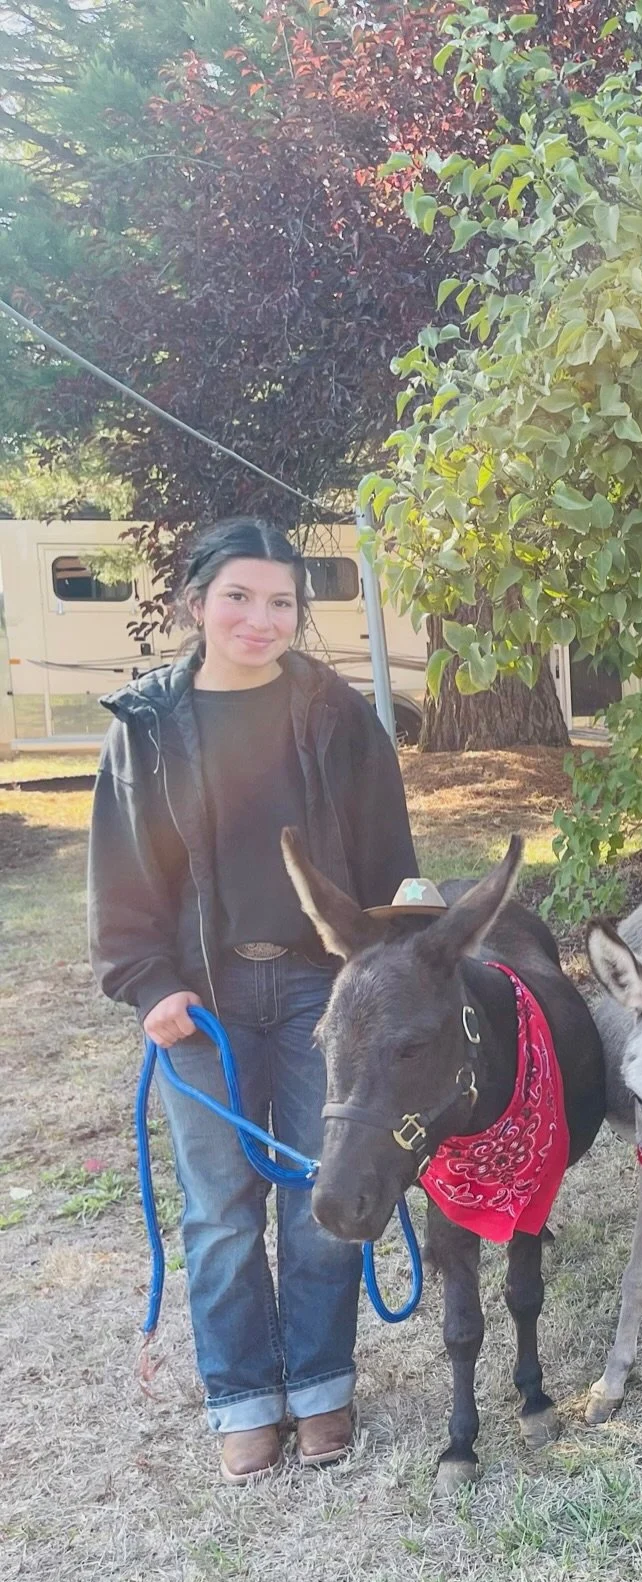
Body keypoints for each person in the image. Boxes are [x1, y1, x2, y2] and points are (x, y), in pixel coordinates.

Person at [89, 517, 418, 1482]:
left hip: (327, 990)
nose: (259, 618)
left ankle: (320, 1387)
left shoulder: (338, 715)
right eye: (238, 596)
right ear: (196, 603)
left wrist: (387, 967)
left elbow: (389, 862)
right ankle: (241, 1395)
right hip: (204, 997)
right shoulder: (147, 724)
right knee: (222, 1205)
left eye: (281, 602)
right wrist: (148, 982)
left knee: (324, 1187)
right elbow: (122, 874)